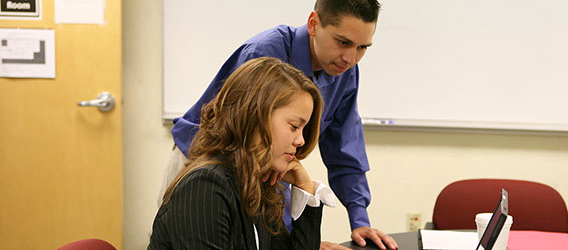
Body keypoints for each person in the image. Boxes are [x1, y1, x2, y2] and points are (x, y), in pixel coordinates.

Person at [164, 0, 398, 249]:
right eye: (343, 42)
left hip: (262, 173)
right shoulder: (263, 53)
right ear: (313, 24)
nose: (351, 58)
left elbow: (344, 146)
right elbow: (232, 139)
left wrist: (358, 220)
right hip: (208, 164)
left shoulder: (344, 69)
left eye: (363, 47)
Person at [149, 57, 336, 249]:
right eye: (294, 126)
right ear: (255, 116)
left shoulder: (255, 185)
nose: (301, 141)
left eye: (303, 130)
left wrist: (304, 187)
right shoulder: (205, 186)